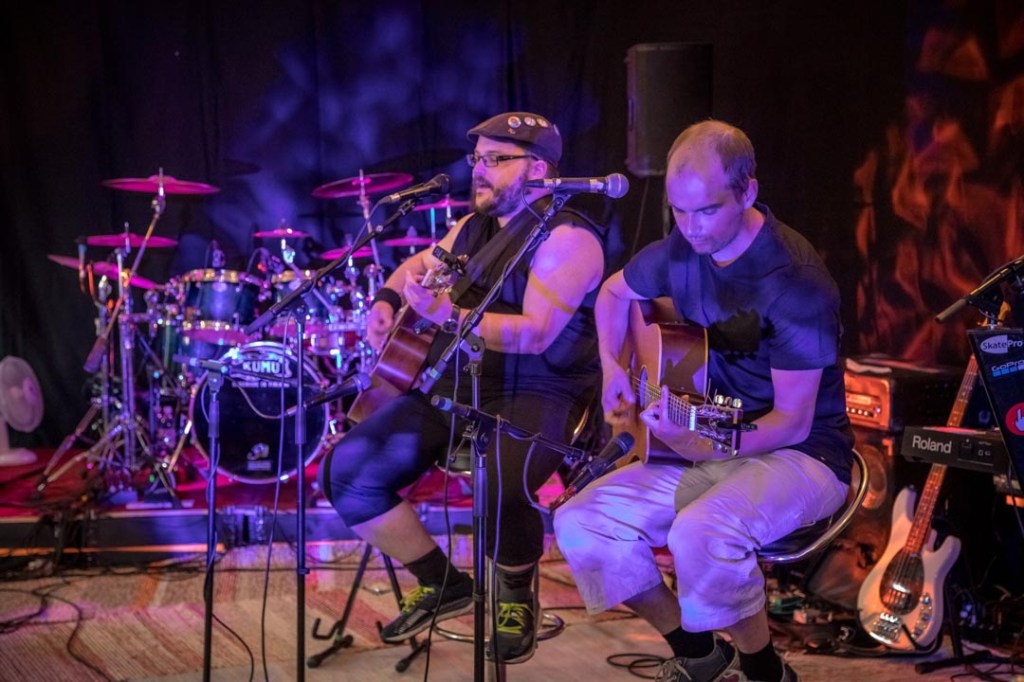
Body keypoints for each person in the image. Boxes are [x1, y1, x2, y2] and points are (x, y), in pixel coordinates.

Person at [553, 120, 854, 682]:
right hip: (708, 441)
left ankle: (764, 671)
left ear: (748, 191)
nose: (690, 228)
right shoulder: (683, 248)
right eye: (679, 211)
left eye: (707, 211)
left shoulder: (795, 281)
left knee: (700, 531)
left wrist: (702, 439)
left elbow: (791, 422)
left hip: (803, 455)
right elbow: (614, 293)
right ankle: (698, 654)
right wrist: (613, 366)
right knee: (581, 521)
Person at [318, 111, 606, 663]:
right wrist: (386, 300)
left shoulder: (568, 238)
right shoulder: (473, 227)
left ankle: (515, 596)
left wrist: (447, 316)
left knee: (499, 483)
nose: (479, 170)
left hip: (539, 389)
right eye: (477, 158)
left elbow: (536, 334)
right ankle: (443, 582)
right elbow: (415, 265)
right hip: (459, 381)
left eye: (496, 159)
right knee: (347, 471)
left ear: (538, 168)